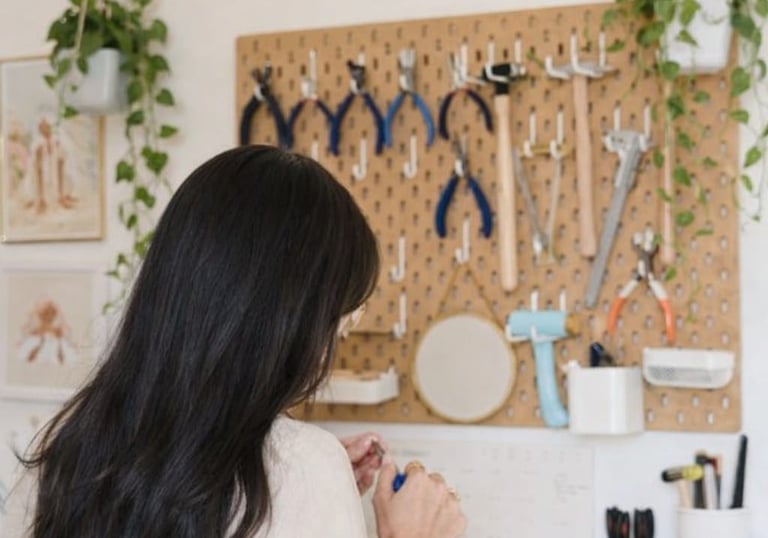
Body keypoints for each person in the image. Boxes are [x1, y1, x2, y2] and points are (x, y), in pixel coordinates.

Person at [1, 146, 466, 538]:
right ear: (291, 321)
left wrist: (287, 468)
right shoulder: (307, 467)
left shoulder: (69, 446)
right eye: (338, 320)